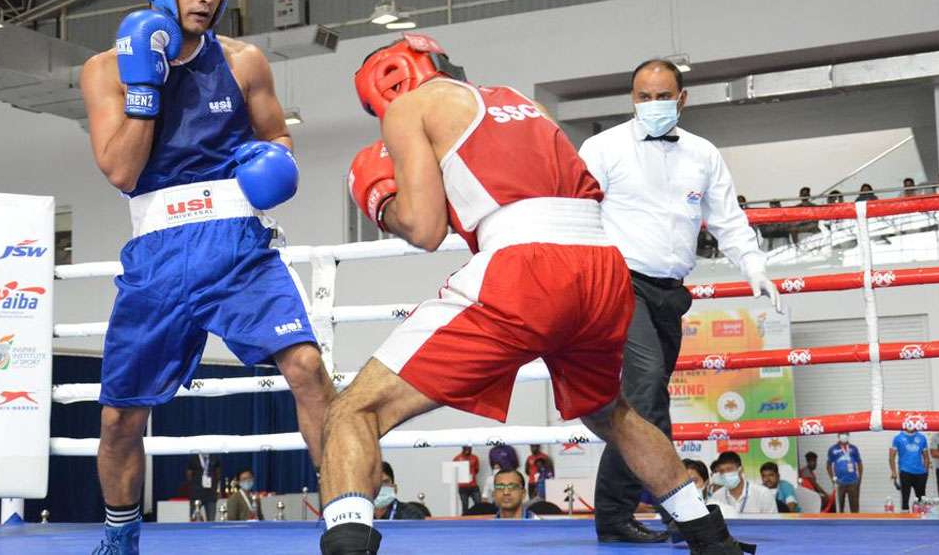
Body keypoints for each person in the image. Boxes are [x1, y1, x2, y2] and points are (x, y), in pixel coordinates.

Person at [318, 34, 749, 555]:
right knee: (614, 413)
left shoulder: (412, 105)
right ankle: (710, 537)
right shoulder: (522, 101)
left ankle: (346, 547)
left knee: (352, 411)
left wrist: (381, 199)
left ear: (386, 84)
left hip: (528, 267)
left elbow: (426, 229)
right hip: (603, 269)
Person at [83, 0, 337, 555]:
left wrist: (270, 160)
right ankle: (120, 537)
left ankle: (346, 517)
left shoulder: (244, 60)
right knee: (120, 417)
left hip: (237, 244)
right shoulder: (103, 69)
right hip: (159, 253)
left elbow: (278, 137)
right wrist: (148, 90)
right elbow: (120, 171)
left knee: (306, 368)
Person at [578, 58, 780, 544]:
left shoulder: (703, 154)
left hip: (670, 292)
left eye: (662, 96)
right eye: (643, 97)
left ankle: (671, 507)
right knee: (645, 395)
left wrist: (754, 266)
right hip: (617, 282)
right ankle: (626, 512)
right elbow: (575, 210)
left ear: (682, 98)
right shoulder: (602, 148)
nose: (653, 105)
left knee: (650, 402)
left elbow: (727, 218)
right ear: (632, 99)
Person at [706, 452, 777, 515]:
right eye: (722, 471)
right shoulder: (716, 497)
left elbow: (773, 525)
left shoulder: (763, 494)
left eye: (729, 469)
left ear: (741, 469)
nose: (725, 474)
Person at [889, 424, 930, 511]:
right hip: (905, 471)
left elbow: (926, 457)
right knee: (905, 499)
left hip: (920, 473)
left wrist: (925, 472)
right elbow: (891, 456)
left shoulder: (922, 437)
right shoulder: (898, 438)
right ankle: (905, 521)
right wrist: (894, 472)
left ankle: (922, 521)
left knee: (921, 500)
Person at [827, 433, 863, 513]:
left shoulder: (854, 448)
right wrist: (833, 479)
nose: (844, 435)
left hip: (853, 482)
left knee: (855, 508)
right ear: (838, 435)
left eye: (845, 433)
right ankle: (839, 524)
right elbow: (828, 466)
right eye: (841, 434)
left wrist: (859, 479)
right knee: (839, 507)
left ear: (849, 435)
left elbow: (860, 464)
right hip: (839, 483)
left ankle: (856, 523)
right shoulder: (832, 449)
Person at [186, 453, 221, 520]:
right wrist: (194, 485)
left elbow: (218, 474)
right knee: (194, 518)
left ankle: (210, 531)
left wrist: (218, 490)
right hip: (196, 494)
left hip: (211, 493)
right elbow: (189, 474)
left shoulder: (214, 457)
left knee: (211, 519)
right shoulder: (194, 458)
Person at [452, 446, 480, 511]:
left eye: (469, 449)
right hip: (463, 486)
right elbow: (453, 470)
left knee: (479, 504)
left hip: (473, 485)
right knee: (465, 506)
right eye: (466, 448)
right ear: (463, 448)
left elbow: (477, 470)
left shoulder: (475, 457)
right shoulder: (457, 458)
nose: (468, 450)